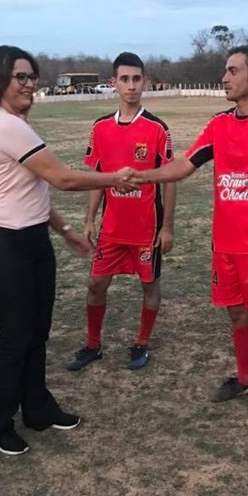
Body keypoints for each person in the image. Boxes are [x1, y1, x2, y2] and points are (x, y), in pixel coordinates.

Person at [127, 45, 248, 409]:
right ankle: (245, 379)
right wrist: (143, 175)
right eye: (225, 71)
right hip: (224, 243)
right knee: (236, 311)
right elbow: (184, 166)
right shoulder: (219, 124)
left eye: (232, 70)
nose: (224, 78)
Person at [0, 45, 137, 456]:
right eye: (20, 77)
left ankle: (38, 409)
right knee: (15, 336)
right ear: (0, 82)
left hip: (31, 240)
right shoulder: (4, 125)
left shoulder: (18, 125)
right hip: (1, 243)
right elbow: (62, 178)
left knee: (36, 333)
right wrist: (114, 178)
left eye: (32, 77)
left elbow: (36, 189)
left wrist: (63, 231)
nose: (29, 84)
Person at [67, 52, 176, 372]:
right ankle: (92, 345)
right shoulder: (100, 127)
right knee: (96, 285)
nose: (131, 86)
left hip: (146, 229)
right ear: (113, 83)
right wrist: (89, 218)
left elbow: (170, 180)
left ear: (145, 82)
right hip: (112, 229)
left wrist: (167, 226)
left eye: (136, 78)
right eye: (124, 79)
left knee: (149, 287)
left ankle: (141, 343)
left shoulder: (157, 128)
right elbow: (97, 179)